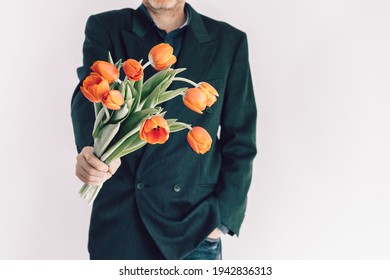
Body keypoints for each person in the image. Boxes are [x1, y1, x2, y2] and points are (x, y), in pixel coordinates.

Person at [71, 0, 257, 260]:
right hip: (122, 223)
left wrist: (222, 220)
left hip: (193, 228)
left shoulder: (228, 42)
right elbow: (87, 96)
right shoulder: (106, 27)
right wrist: (90, 151)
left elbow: (240, 138)